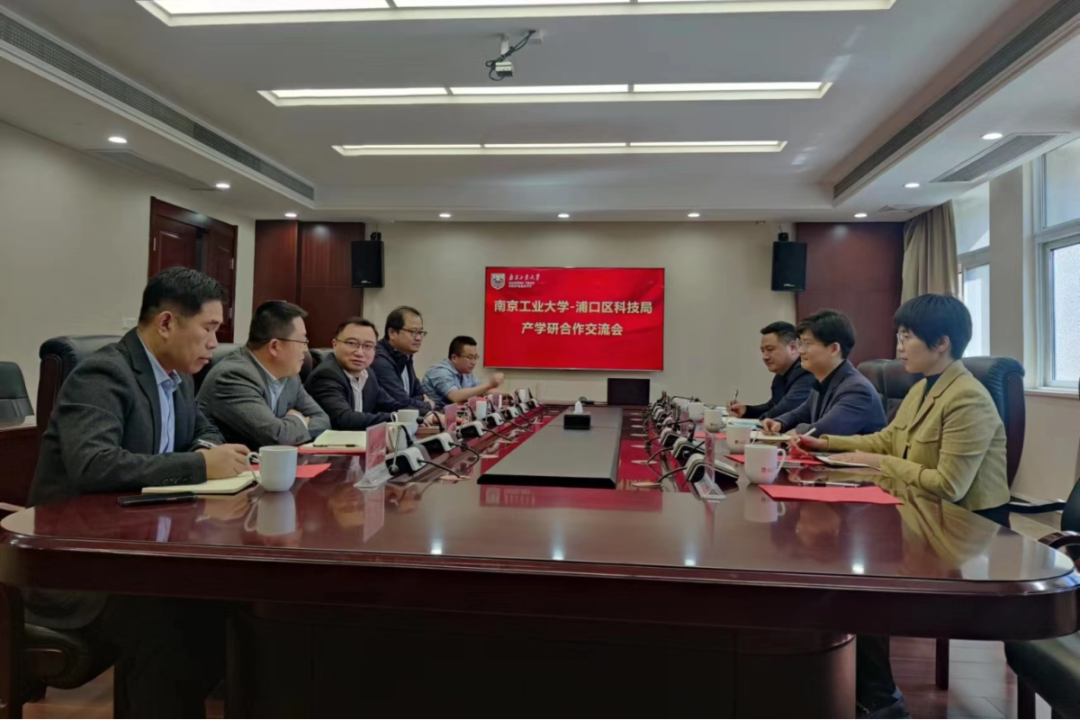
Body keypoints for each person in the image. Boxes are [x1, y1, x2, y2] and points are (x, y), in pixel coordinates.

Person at [28, 267, 251, 720]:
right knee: (170, 625)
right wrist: (200, 464)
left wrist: (209, 450)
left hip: (138, 549)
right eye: (208, 328)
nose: (215, 343)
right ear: (166, 323)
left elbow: (203, 431)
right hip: (77, 563)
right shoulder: (102, 374)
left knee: (228, 603)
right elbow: (94, 464)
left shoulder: (179, 377)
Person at [795, 294, 1009, 515]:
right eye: (899, 337)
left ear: (941, 343)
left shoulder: (968, 398)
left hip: (964, 523)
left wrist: (879, 462)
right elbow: (887, 440)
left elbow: (948, 486)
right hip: (919, 509)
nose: (899, 348)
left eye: (906, 337)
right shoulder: (920, 388)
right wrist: (825, 444)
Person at [198, 300, 330, 448]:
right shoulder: (234, 376)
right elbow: (276, 438)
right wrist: (297, 419)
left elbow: (323, 420)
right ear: (274, 346)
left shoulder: (290, 375)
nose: (305, 350)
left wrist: (288, 429)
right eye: (302, 342)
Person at [761, 310, 886, 438]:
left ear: (834, 349)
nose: (801, 350)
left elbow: (825, 430)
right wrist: (780, 423)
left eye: (807, 344)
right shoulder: (822, 382)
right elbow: (801, 413)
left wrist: (798, 431)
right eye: (800, 344)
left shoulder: (857, 389)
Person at [306, 317, 438, 430]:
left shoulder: (367, 373)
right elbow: (344, 418)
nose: (359, 352)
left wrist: (427, 415)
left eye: (368, 346)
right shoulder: (326, 375)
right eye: (352, 343)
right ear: (335, 344)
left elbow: (392, 404)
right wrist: (396, 418)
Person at [728, 321, 813, 420]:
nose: (765, 357)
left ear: (793, 348)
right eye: (763, 351)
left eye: (770, 349)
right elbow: (773, 406)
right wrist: (747, 411)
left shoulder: (806, 372)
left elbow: (785, 410)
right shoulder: (781, 374)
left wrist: (759, 421)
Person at [371, 305, 433, 412]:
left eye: (421, 332)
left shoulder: (405, 355)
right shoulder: (379, 359)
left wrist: (419, 400)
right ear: (392, 333)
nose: (418, 338)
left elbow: (419, 392)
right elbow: (401, 402)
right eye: (413, 332)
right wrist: (428, 405)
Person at [421, 335, 506, 411]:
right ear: (454, 358)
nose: (473, 362)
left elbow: (482, 391)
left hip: (457, 416)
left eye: (475, 357)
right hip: (435, 418)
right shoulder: (440, 371)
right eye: (470, 357)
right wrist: (489, 384)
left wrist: (506, 396)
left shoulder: (465, 371)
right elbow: (455, 397)